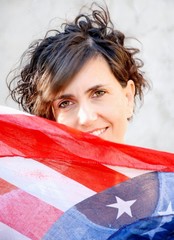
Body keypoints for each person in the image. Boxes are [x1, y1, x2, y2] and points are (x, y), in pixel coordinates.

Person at [7, 3, 149, 144]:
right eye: (65, 103)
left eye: (99, 93)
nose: (86, 118)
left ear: (128, 98)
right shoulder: (24, 167)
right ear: (50, 120)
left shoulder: (168, 167)